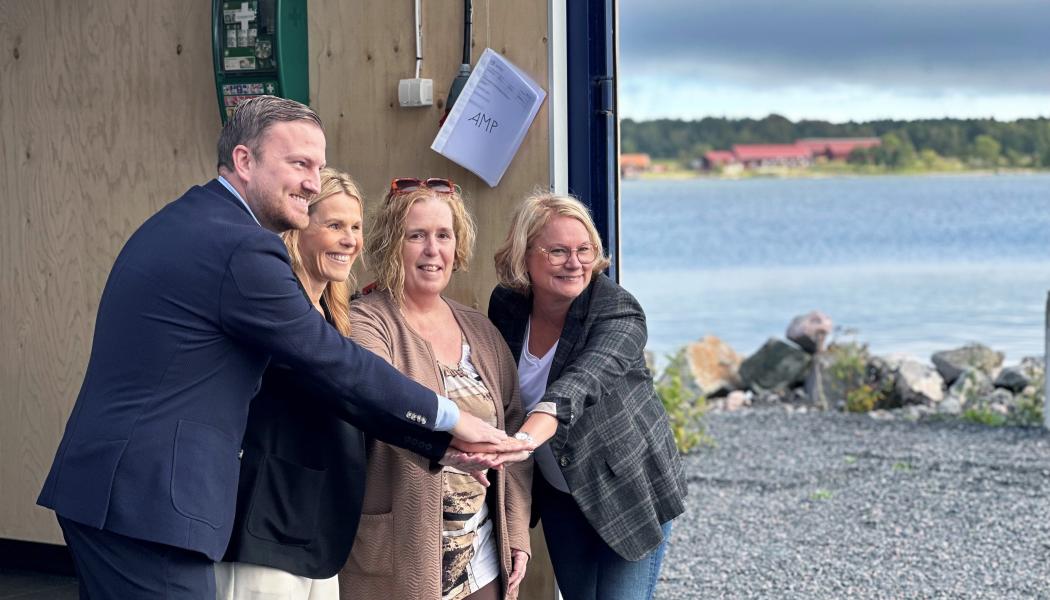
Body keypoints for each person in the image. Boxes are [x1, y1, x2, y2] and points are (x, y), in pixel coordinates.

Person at [36, 97, 524, 599]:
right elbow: (333, 362)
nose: (313, 181)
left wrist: (440, 445)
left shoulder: (188, 220)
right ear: (245, 162)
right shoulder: (241, 245)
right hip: (148, 504)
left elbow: (311, 378)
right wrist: (452, 419)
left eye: (318, 165)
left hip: (116, 494)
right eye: (299, 164)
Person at [483, 192, 688, 600]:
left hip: (627, 487)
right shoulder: (507, 304)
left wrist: (520, 442)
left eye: (585, 250)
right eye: (558, 251)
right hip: (561, 493)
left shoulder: (618, 311)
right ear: (524, 254)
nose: (575, 263)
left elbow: (579, 384)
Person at [338, 178, 532, 600]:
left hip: (480, 556)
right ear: (393, 244)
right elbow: (382, 399)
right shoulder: (367, 321)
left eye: (444, 235)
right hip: (400, 554)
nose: (433, 250)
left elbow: (513, 430)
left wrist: (516, 530)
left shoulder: (479, 328)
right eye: (417, 236)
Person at [215, 167, 366, 599]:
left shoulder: (336, 316)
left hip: (315, 532)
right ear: (298, 228)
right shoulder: (275, 307)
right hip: (263, 528)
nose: (349, 239)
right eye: (334, 225)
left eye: (355, 227)